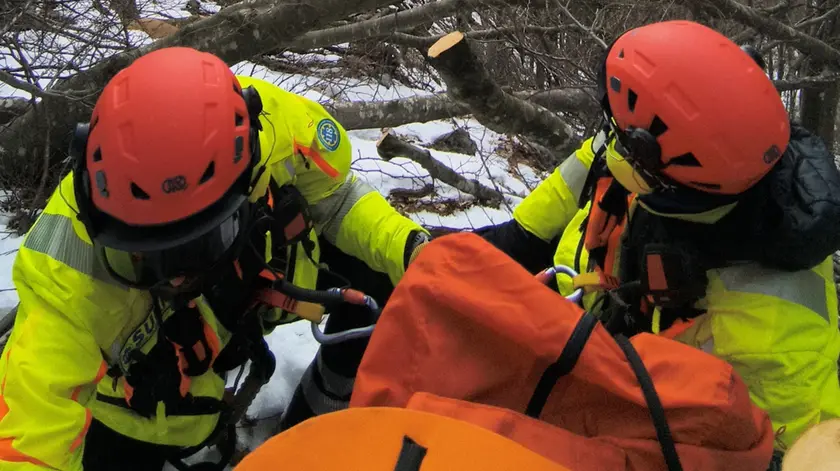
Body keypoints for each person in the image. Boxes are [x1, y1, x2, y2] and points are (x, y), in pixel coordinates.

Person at [0, 46, 428, 471]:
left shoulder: (272, 133)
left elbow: (338, 203)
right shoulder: (63, 282)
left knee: (381, 265)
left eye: (192, 247)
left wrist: (412, 249)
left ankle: (325, 407)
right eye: (148, 255)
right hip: (142, 401)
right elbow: (28, 435)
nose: (178, 276)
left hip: (240, 298)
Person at [475, 19, 840, 453]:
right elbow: (520, 237)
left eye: (617, 139)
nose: (605, 146)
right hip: (586, 348)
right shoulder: (646, 159)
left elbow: (770, 455)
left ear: (651, 168)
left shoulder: (772, 339)